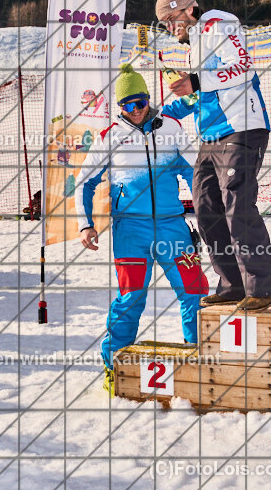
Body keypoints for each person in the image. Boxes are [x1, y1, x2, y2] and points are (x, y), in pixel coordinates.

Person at [76, 64, 208, 395]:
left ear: (148, 100)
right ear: (118, 106)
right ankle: (113, 364)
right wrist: (85, 225)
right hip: (130, 232)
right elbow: (84, 183)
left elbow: (195, 171)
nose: (134, 111)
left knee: (195, 291)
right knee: (131, 298)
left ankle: (200, 359)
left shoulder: (172, 128)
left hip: (172, 227)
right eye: (126, 105)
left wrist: (211, 212)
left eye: (139, 103)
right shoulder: (110, 137)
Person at [155, 0, 271, 311]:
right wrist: (161, 112)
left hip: (241, 128)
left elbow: (241, 69)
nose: (170, 29)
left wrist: (195, 80)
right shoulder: (194, 45)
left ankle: (262, 286)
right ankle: (232, 285)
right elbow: (203, 96)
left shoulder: (218, 23)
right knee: (206, 205)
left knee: (237, 204)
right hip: (210, 135)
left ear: (187, 9)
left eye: (171, 21)